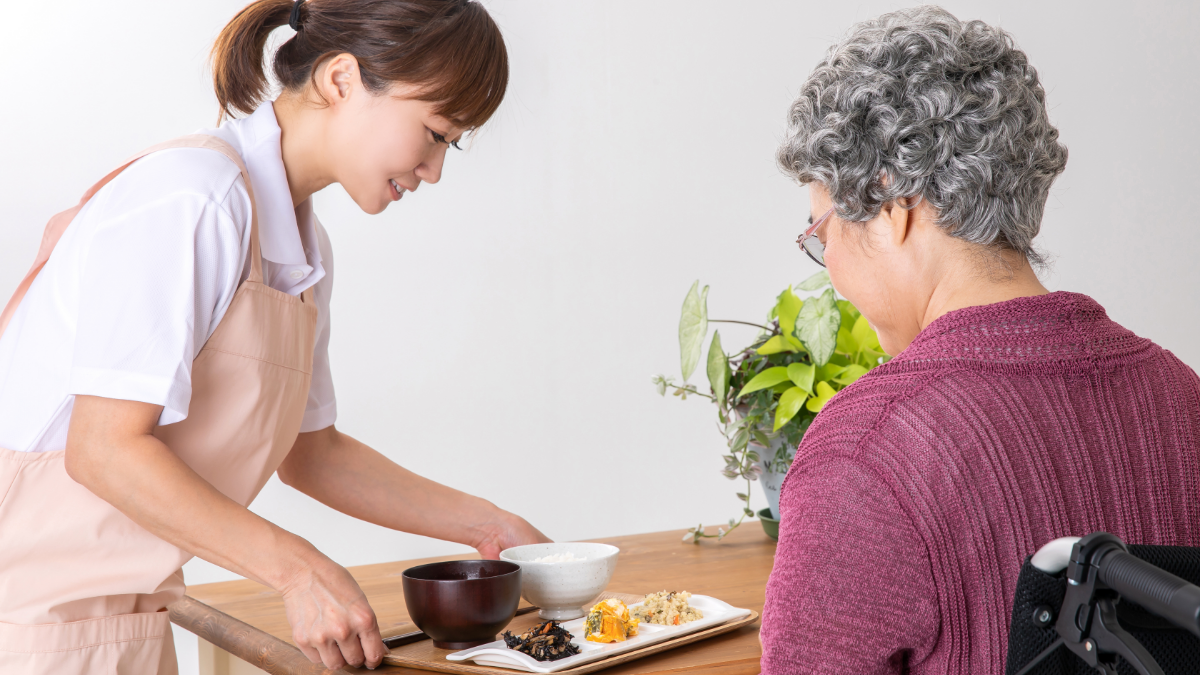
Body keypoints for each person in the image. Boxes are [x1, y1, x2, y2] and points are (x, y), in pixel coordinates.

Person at [0, 1, 548, 672]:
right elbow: (104, 449)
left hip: (125, 618)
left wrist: (492, 528)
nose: (435, 169)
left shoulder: (299, 244)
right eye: (435, 132)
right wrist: (298, 571)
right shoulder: (192, 198)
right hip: (29, 626)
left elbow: (311, 454)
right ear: (342, 79)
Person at [760, 6, 1200, 674]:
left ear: (891, 207)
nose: (831, 269)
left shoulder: (865, 452)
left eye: (821, 233)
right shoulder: (1182, 396)